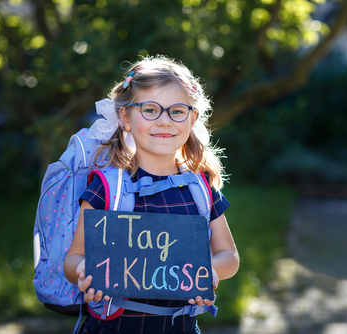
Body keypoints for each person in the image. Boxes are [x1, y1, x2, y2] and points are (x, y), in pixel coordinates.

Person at [64, 55, 239, 334]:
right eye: (150, 110)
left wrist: (210, 270)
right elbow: (73, 259)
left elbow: (229, 255)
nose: (165, 121)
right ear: (125, 117)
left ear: (192, 118)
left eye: (177, 111)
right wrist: (86, 271)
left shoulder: (200, 187)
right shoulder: (108, 188)